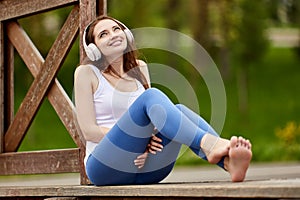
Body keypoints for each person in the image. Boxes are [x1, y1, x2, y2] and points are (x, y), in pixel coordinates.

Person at [74, 15, 252, 186]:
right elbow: (89, 131)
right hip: (105, 167)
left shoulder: (140, 68)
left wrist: (145, 140)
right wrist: (139, 137)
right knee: (151, 96)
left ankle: (229, 164)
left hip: (146, 169)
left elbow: (154, 119)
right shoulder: (86, 73)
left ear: (126, 34)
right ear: (93, 48)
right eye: (103, 34)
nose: (113, 35)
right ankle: (210, 143)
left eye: (116, 29)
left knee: (180, 110)